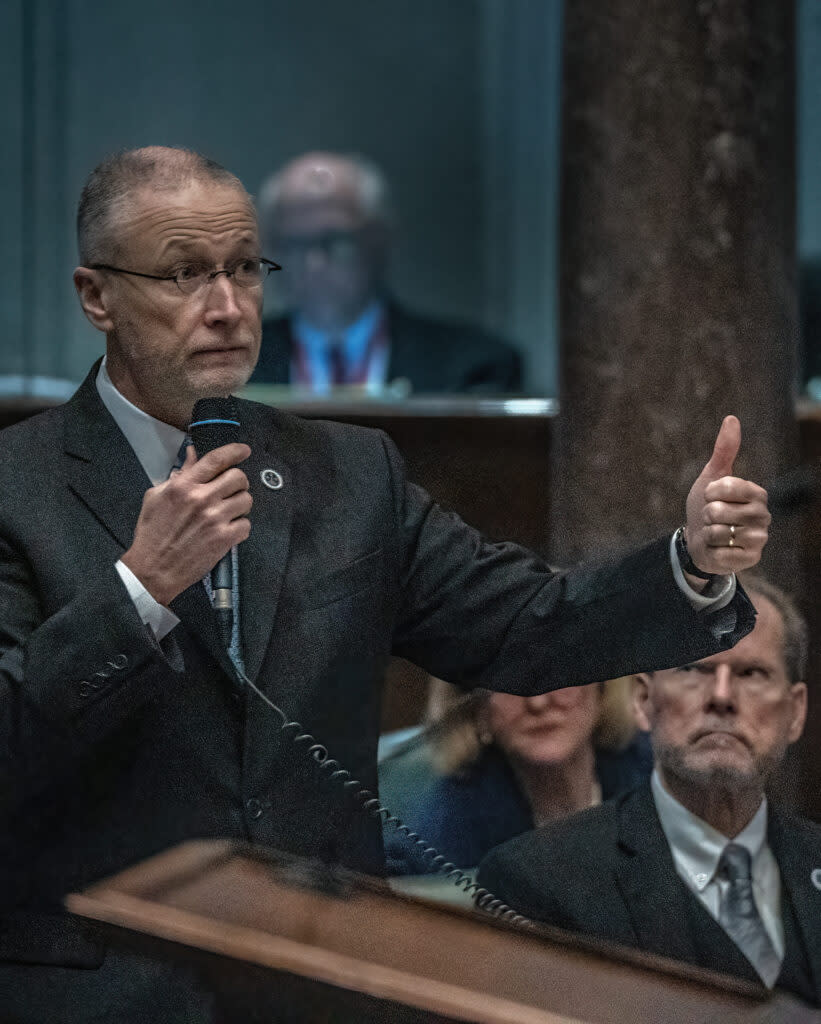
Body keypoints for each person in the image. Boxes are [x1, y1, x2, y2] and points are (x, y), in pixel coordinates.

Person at [0, 145, 769, 1022]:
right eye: (183, 275)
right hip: (97, 992)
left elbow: (524, 623)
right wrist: (138, 591)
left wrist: (691, 564)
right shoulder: (16, 489)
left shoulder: (349, 475)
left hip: (317, 985)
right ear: (96, 295)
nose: (225, 308)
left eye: (244, 269)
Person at [478, 578, 821, 1006]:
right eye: (692, 669)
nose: (721, 697)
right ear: (643, 700)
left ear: (795, 712)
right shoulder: (538, 883)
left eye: (752, 673)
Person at [250, 151, 523, 394]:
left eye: (335, 240)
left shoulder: (473, 367)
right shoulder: (235, 365)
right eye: (294, 244)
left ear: (379, 240)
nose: (314, 263)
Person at [385, 677, 651, 873]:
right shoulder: (433, 847)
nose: (538, 702)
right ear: (476, 708)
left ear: (602, 683)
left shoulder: (665, 776)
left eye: (559, 669)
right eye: (509, 679)